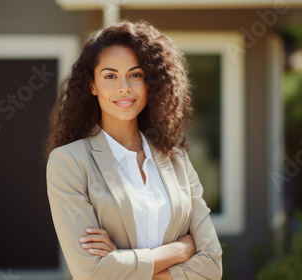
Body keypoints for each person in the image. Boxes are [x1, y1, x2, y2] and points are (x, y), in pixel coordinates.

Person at [44, 20, 223, 280]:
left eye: (136, 75)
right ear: (92, 85)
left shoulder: (177, 160)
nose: (124, 86)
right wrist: (182, 249)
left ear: (150, 83)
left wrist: (122, 263)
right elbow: (91, 272)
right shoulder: (69, 162)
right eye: (110, 76)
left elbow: (212, 265)